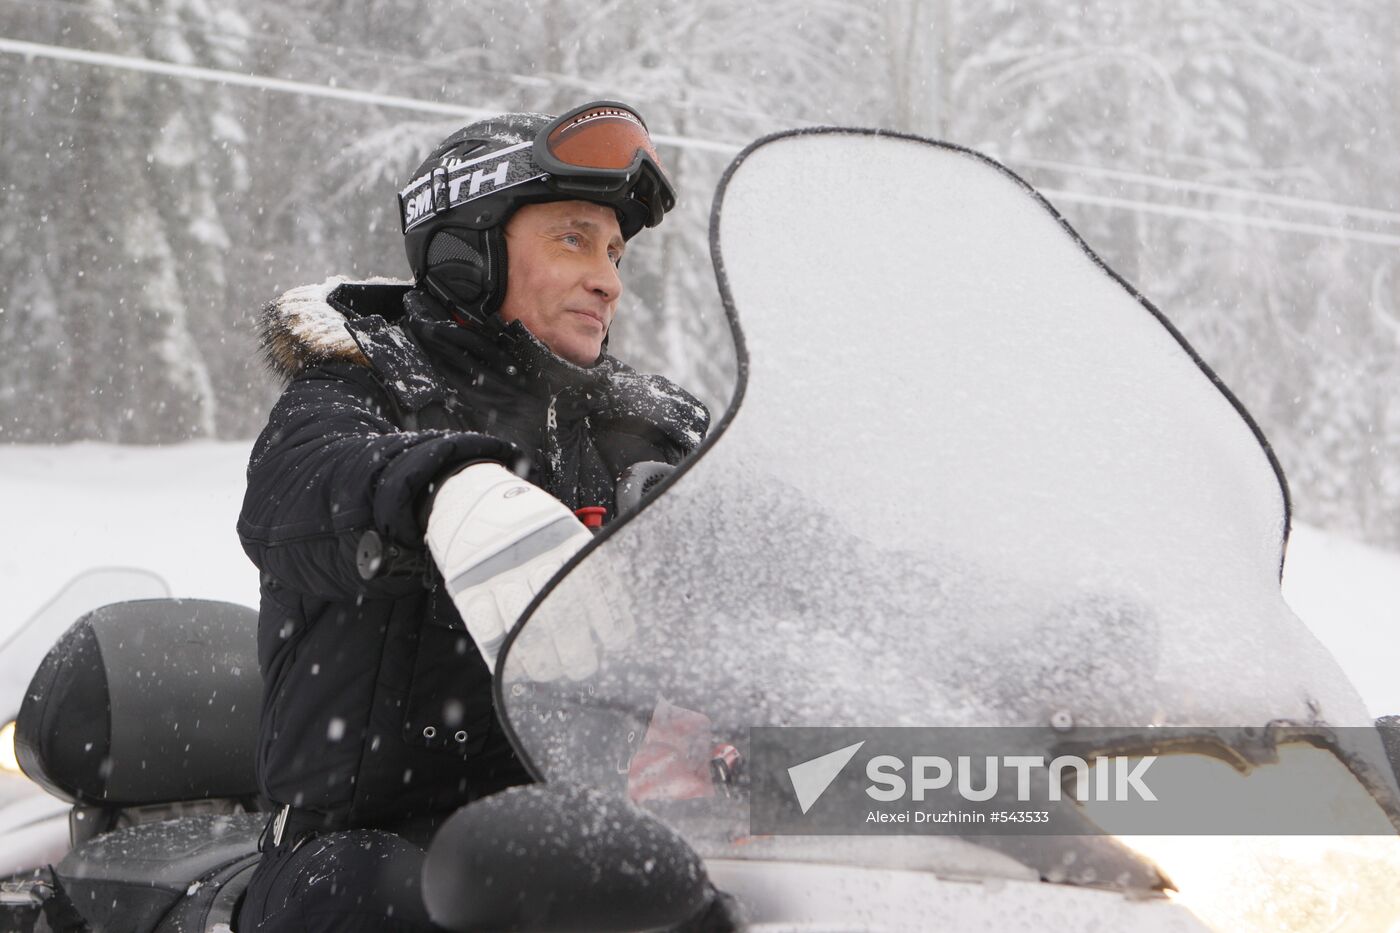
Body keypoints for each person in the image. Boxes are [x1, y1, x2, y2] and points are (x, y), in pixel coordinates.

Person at [235, 101, 710, 932]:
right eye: (574, 238)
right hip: (354, 850)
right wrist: (445, 491)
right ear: (470, 248)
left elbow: (774, 523)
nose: (608, 278)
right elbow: (295, 489)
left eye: (614, 251)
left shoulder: (641, 421)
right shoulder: (361, 384)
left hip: (575, 834)